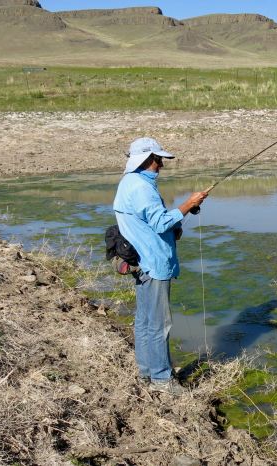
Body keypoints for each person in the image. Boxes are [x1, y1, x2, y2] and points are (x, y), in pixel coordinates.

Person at [113, 137, 208, 395]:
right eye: (159, 160)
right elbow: (158, 223)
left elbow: (151, 222)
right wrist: (188, 205)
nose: (161, 165)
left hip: (141, 262)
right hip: (153, 262)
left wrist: (175, 223)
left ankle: (146, 371)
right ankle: (161, 380)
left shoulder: (130, 182)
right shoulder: (141, 188)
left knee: (144, 321)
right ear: (147, 159)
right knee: (159, 324)